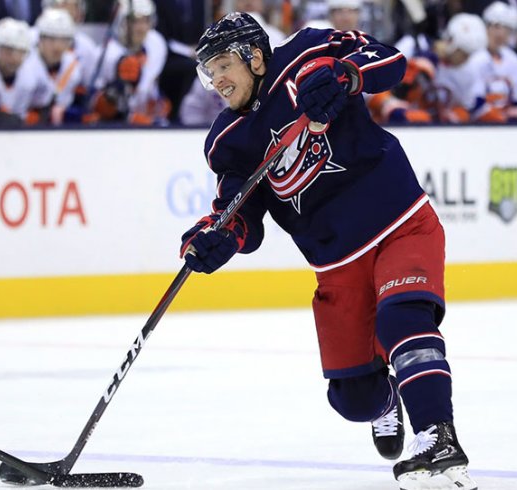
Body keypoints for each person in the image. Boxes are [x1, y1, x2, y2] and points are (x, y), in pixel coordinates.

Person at [181, 13, 477, 490]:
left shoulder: (308, 50)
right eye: (207, 72)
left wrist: (349, 74)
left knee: (402, 318)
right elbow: (240, 214)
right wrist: (216, 236)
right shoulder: (227, 140)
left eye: (221, 66)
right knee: (353, 401)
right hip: (336, 265)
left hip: (399, 221)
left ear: (254, 56)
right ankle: (387, 400)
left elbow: (392, 60)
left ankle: (437, 437)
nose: (216, 81)